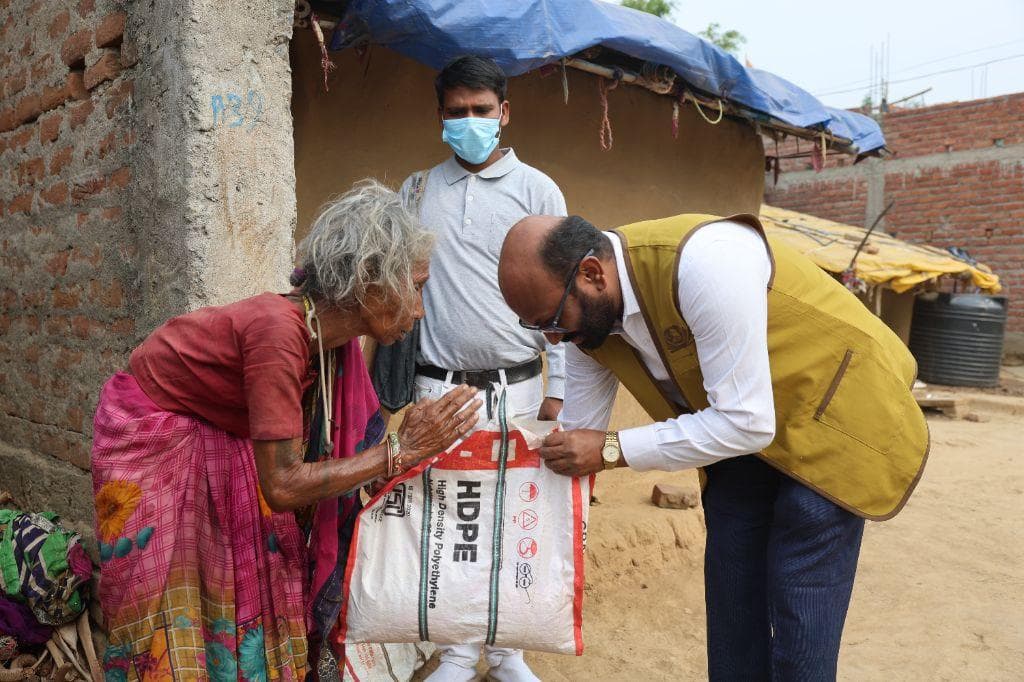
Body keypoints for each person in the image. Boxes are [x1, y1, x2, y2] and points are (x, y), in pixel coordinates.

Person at [497, 212, 929, 681]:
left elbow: (744, 423)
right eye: (537, 327)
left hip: (837, 417)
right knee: (732, 592)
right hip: (744, 434)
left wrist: (612, 449)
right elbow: (581, 433)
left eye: (553, 320)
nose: (553, 338)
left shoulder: (704, 262)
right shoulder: (588, 325)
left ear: (592, 273)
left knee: (799, 607)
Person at [91, 180, 482, 681]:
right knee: (161, 611)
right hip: (155, 437)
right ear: (369, 279)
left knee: (239, 591)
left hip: (218, 433)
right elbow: (280, 486)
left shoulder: (332, 344)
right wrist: (399, 451)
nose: (420, 309)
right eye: (418, 286)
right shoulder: (279, 333)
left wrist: (400, 451)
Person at [396, 55, 567, 682]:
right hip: (438, 385)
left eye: (481, 111)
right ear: (440, 115)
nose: (469, 121)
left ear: (504, 113)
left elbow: (566, 291)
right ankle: (460, 651)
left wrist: (561, 389)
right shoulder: (416, 191)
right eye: (456, 112)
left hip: (519, 387)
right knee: (447, 518)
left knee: (514, 514)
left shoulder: (537, 190)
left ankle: (507, 652)